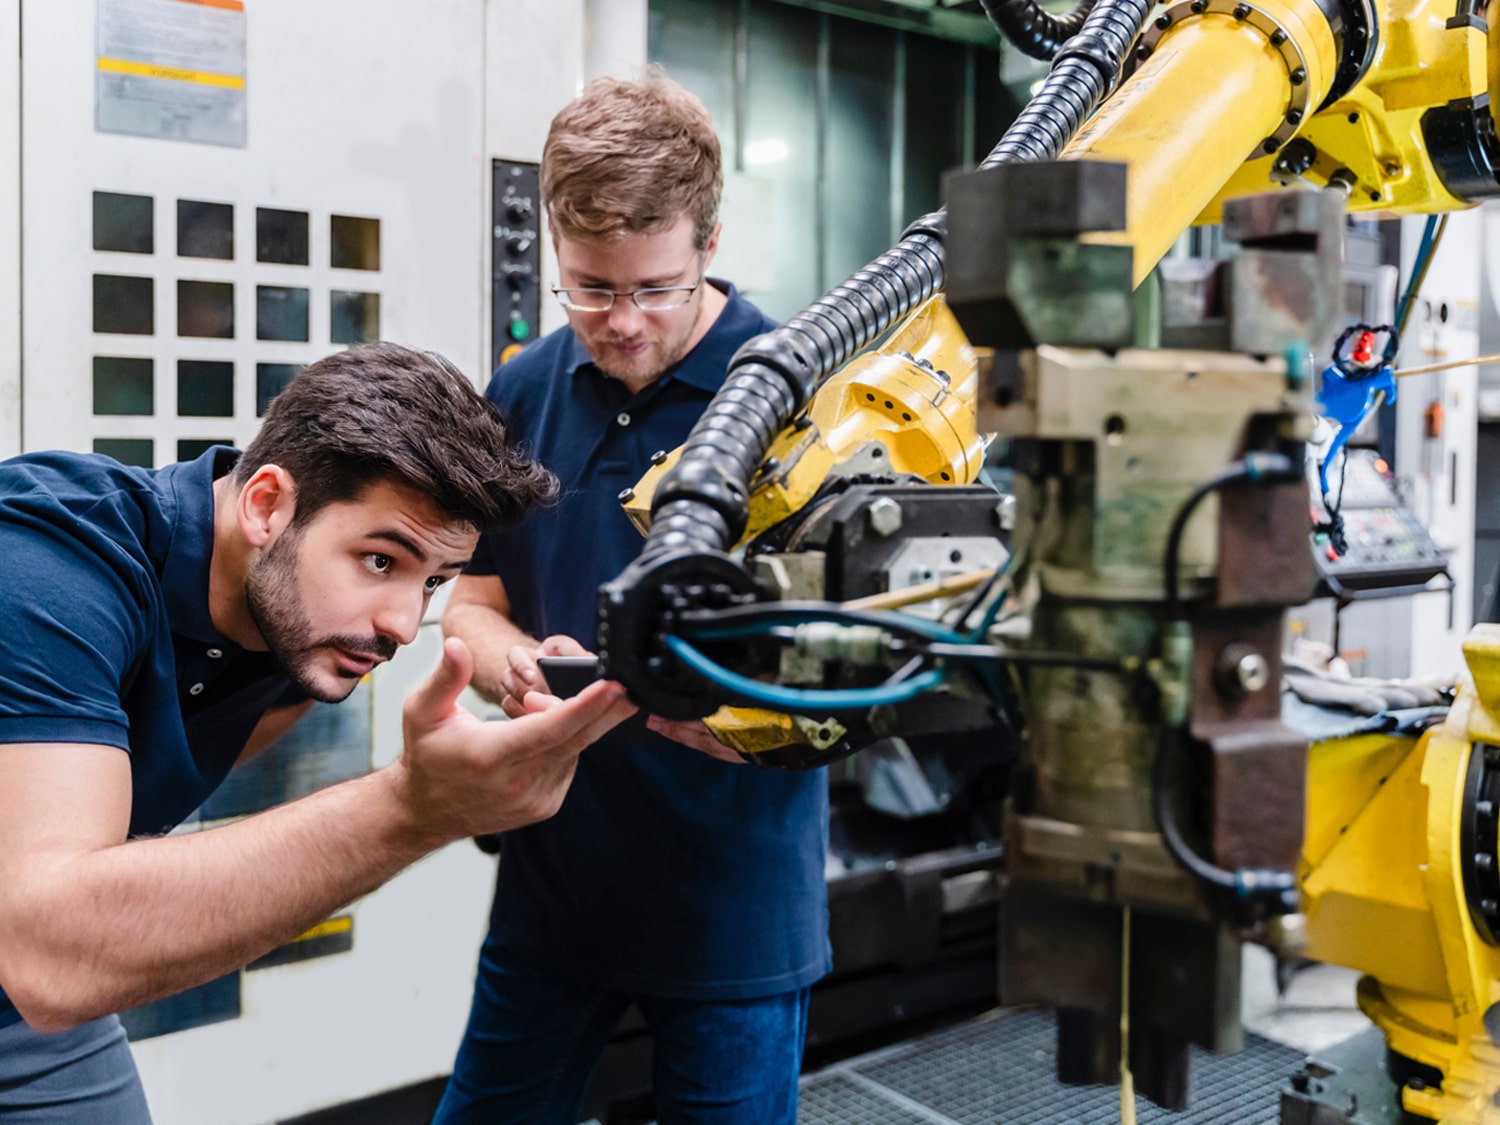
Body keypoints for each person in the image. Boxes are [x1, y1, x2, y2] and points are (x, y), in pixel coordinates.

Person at [0, 342, 635, 1124]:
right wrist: (416, 805)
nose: (404, 623)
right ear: (265, 505)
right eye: (379, 560)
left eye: (432, 580)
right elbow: (51, 950)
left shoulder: (295, 636)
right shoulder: (48, 566)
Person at [436, 72, 829, 1124]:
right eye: (588, 288)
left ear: (708, 242)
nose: (617, 323)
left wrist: (748, 719)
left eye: (651, 289)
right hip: (553, 887)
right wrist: (510, 659)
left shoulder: (802, 405)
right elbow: (469, 601)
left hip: (732, 902)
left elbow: (852, 662)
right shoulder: (524, 388)